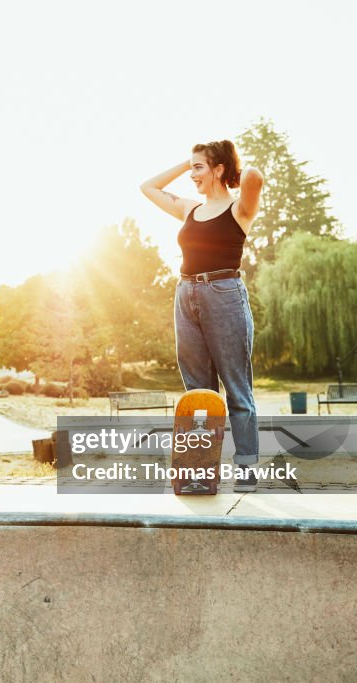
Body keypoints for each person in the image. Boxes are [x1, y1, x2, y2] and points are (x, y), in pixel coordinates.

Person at [140, 140, 264, 491]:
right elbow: (148, 187)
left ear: (219, 169)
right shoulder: (190, 210)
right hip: (185, 293)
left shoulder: (240, 210)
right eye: (191, 168)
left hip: (224, 294)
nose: (192, 175)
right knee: (197, 391)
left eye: (199, 168)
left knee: (237, 389)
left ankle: (246, 469)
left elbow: (253, 176)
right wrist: (188, 163)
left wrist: (228, 163)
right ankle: (201, 471)